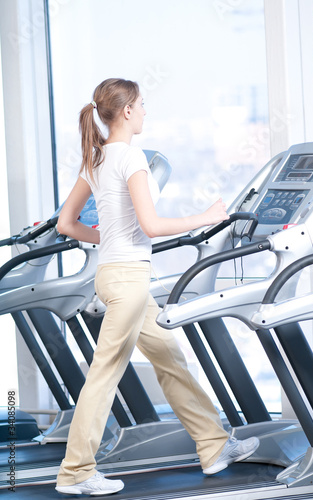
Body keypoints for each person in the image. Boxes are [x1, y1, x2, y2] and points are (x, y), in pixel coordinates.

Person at [55, 78, 259, 496]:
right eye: (143, 105)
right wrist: (204, 218)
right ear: (127, 111)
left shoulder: (95, 161)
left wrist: (107, 237)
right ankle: (75, 472)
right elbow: (151, 226)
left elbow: (66, 224)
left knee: (168, 355)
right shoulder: (132, 159)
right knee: (104, 373)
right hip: (129, 279)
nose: (146, 112)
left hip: (114, 275)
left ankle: (214, 444)